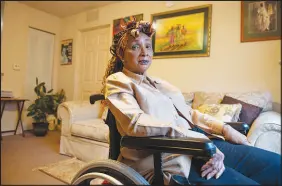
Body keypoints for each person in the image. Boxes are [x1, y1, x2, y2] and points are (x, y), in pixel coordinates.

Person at [101, 19, 281, 185]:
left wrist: (225, 129)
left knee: (276, 165)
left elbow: (190, 114)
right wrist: (198, 140)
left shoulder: (160, 83)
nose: (144, 52)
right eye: (135, 46)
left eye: (148, 46)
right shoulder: (119, 81)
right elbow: (136, 123)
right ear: (121, 54)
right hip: (169, 156)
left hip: (202, 144)